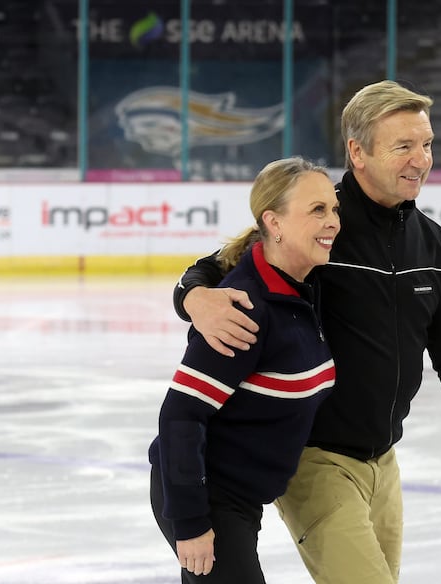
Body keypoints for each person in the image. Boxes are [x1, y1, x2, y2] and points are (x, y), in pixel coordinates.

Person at [173, 80, 441, 584]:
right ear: (357, 151)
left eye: (427, 144)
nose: (421, 159)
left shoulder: (433, 243)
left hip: (384, 460)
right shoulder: (318, 221)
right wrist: (194, 298)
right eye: (403, 146)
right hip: (317, 459)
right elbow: (218, 264)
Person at [148, 156, 341, 583]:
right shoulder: (242, 310)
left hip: (242, 495)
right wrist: (192, 523)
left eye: (334, 209)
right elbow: (180, 416)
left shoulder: (305, 286)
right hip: (207, 495)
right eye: (317, 210)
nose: (333, 222)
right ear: (274, 222)